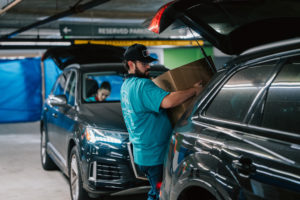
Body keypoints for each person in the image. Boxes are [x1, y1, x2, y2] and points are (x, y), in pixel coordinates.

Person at [120, 43, 202, 200]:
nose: (148, 66)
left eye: (149, 62)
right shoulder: (142, 85)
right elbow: (168, 102)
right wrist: (194, 90)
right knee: (161, 194)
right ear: (131, 64)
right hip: (156, 154)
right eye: (144, 63)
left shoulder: (126, 85)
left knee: (155, 191)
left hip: (143, 154)